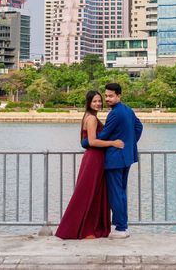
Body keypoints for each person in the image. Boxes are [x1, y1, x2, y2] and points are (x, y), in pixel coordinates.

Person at [55, 91, 124, 240]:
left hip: (95, 158)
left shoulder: (89, 116)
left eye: (99, 101)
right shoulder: (91, 118)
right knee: (88, 193)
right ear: (88, 103)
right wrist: (113, 143)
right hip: (94, 158)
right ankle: (84, 229)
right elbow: (92, 142)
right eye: (95, 101)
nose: (98, 103)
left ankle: (89, 228)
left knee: (94, 193)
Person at [82, 82, 142, 239]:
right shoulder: (128, 110)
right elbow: (139, 127)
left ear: (119, 96)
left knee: (116, 193)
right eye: (106, 96)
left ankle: (121, 228)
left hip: (115, 159)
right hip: (126, 157)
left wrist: (86, 142)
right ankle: (122, 226)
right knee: (121, 192)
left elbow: (103, 136)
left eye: (110, 96)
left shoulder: (114, 114)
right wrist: (129, 144)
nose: (107, 99)